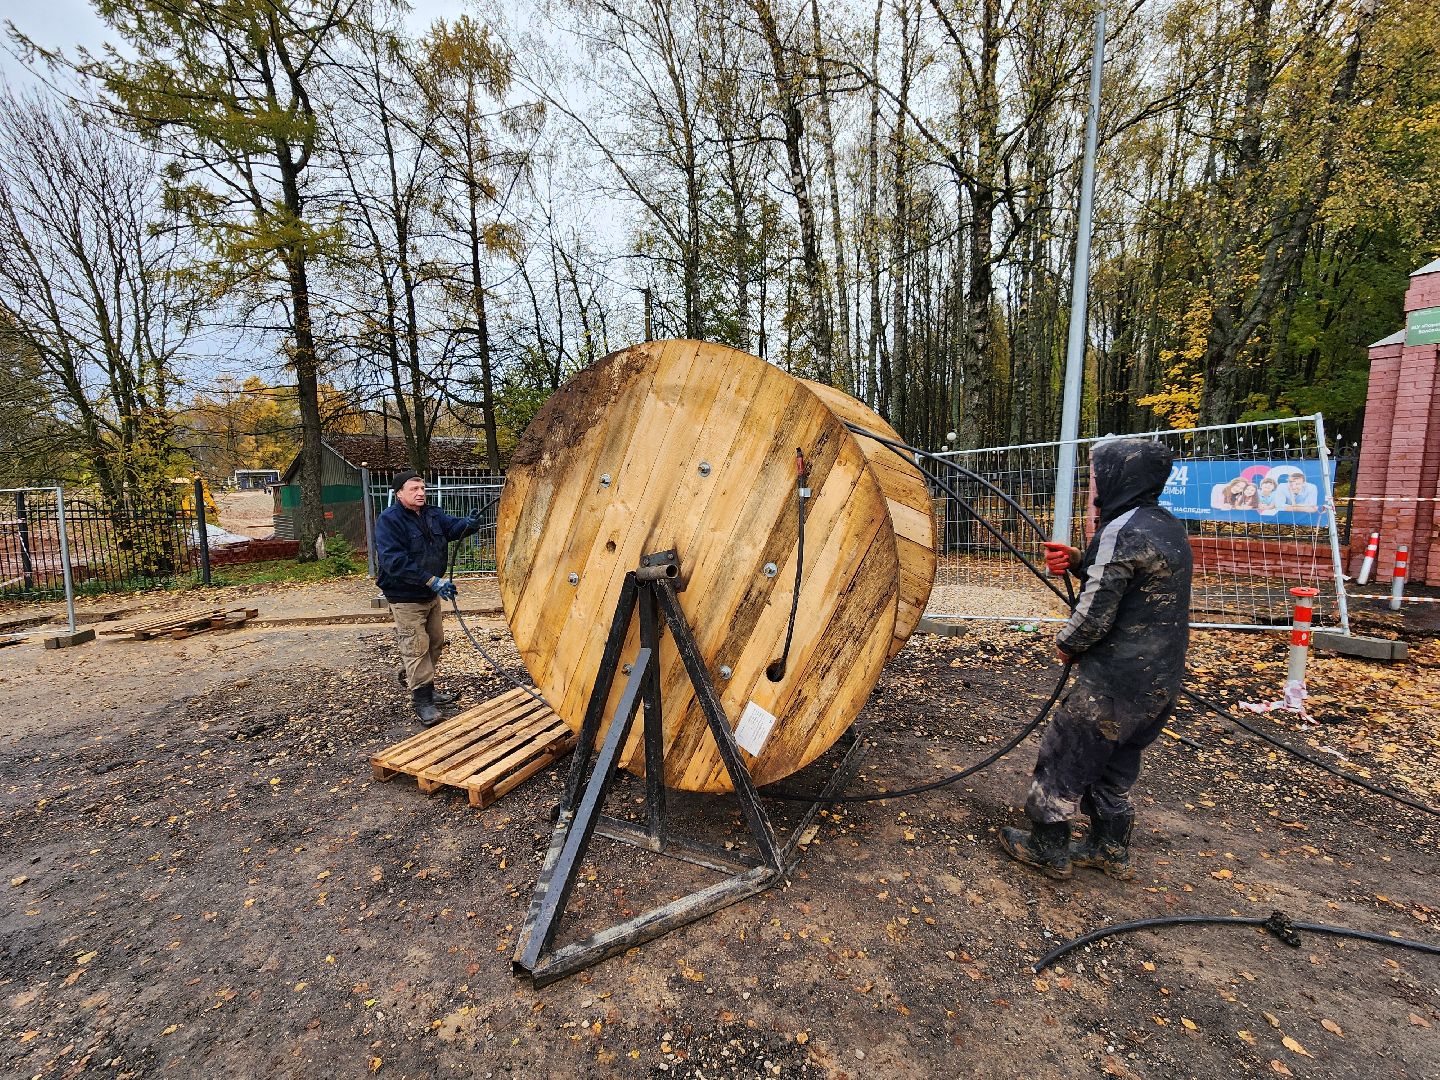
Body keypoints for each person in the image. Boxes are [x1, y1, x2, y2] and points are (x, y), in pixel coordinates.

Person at [1004, 439, 1194, 880]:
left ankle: (1047, 846)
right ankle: (1109, 847)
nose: (1094, 486)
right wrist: (1079, 561)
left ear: (1119, 478)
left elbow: (1096, 611)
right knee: (1116, 763)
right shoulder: (1167, 525)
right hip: (1159, 681)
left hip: (1114, 680)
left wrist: (1068, 643)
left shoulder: (1120, 530)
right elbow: (1138, 577)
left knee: (1066, 752)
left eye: (1097, 475)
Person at [374, 470, 484, 726]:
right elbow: (394, 561)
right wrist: (432, 580)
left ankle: (423, 684)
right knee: (416, 646)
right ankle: (422, 701)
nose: (420, 493)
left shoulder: (432, 514)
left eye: (422, 488)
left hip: (430, 592)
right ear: (399, 493)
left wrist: (468, 524)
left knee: (435, 641)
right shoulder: (389, 520)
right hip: (405, 595)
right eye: (414, 489)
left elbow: (451, 528)